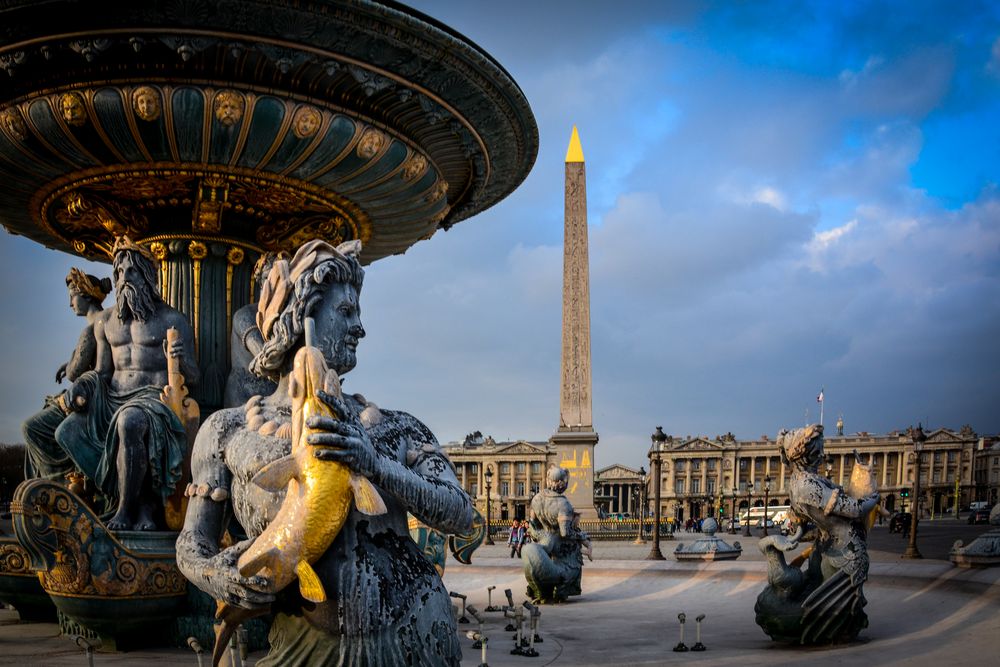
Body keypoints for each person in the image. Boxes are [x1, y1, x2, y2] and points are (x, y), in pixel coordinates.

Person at [177, 239, 472, 666]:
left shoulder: (395, 426)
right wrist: (218, 576)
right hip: (303, 644)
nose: (360, 328)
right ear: (302, 318)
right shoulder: (228, 432)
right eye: (346, 313)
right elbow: (192, 544)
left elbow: (461, 514)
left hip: (415, 631)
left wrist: (376, 465)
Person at [55, 236, 199, 530]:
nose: (123, 279)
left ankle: (127, 509)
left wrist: (181, 358)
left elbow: (195, 377)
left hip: (153, 399)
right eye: (118, 272)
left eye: (131, 271)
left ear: (147, 274)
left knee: (129, 422)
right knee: (65, 431)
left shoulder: (173, 319)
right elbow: (102, 372)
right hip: (112, 399)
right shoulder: (106, 322)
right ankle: (123, 495)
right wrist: (82, 386)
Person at [22, 269, 111, 480]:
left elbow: (74, 373)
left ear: (86, 295)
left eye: (72, 296)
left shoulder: (90, 329)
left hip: (90, 401)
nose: (70, 303)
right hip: (98, 395)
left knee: (30, 427)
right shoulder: (106, 321)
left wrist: (70, 360)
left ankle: (57, 481)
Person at [222, 251, 285, 408]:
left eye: (279, 279)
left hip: (276, 396)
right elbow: (266, 358)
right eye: (267, 279)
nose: (272, 285)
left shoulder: (286, 319)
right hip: (245, 397)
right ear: (261, 284)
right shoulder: (245, 316)